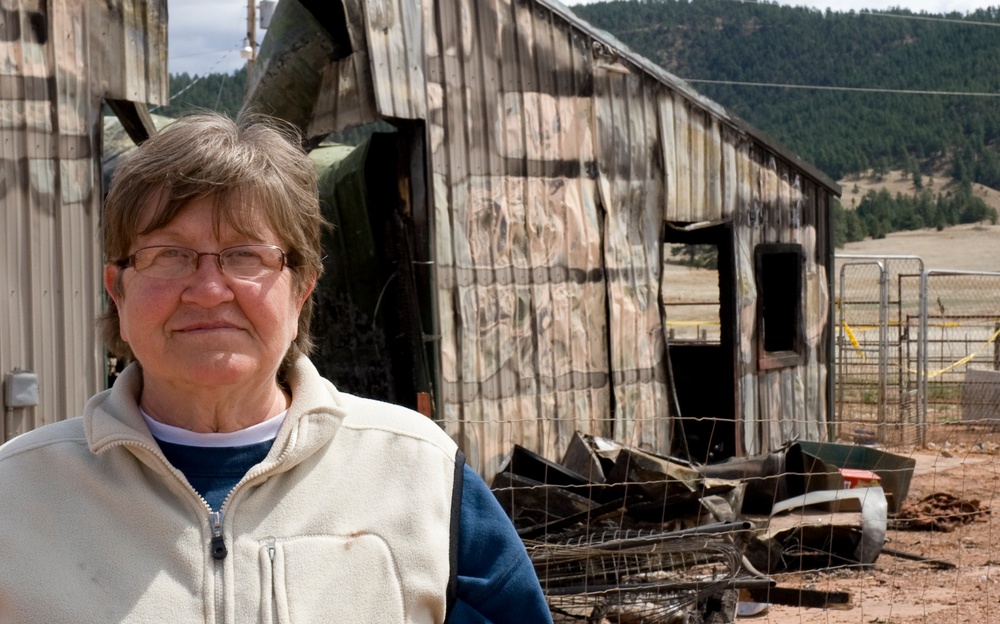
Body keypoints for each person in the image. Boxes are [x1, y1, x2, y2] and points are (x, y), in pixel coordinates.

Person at [0, 112, 552, 623]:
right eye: (169, 254)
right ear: (117, 292)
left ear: (302, 290)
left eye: (246, 255)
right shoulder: (17, 493)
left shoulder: (421, 476)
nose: (209, 290)